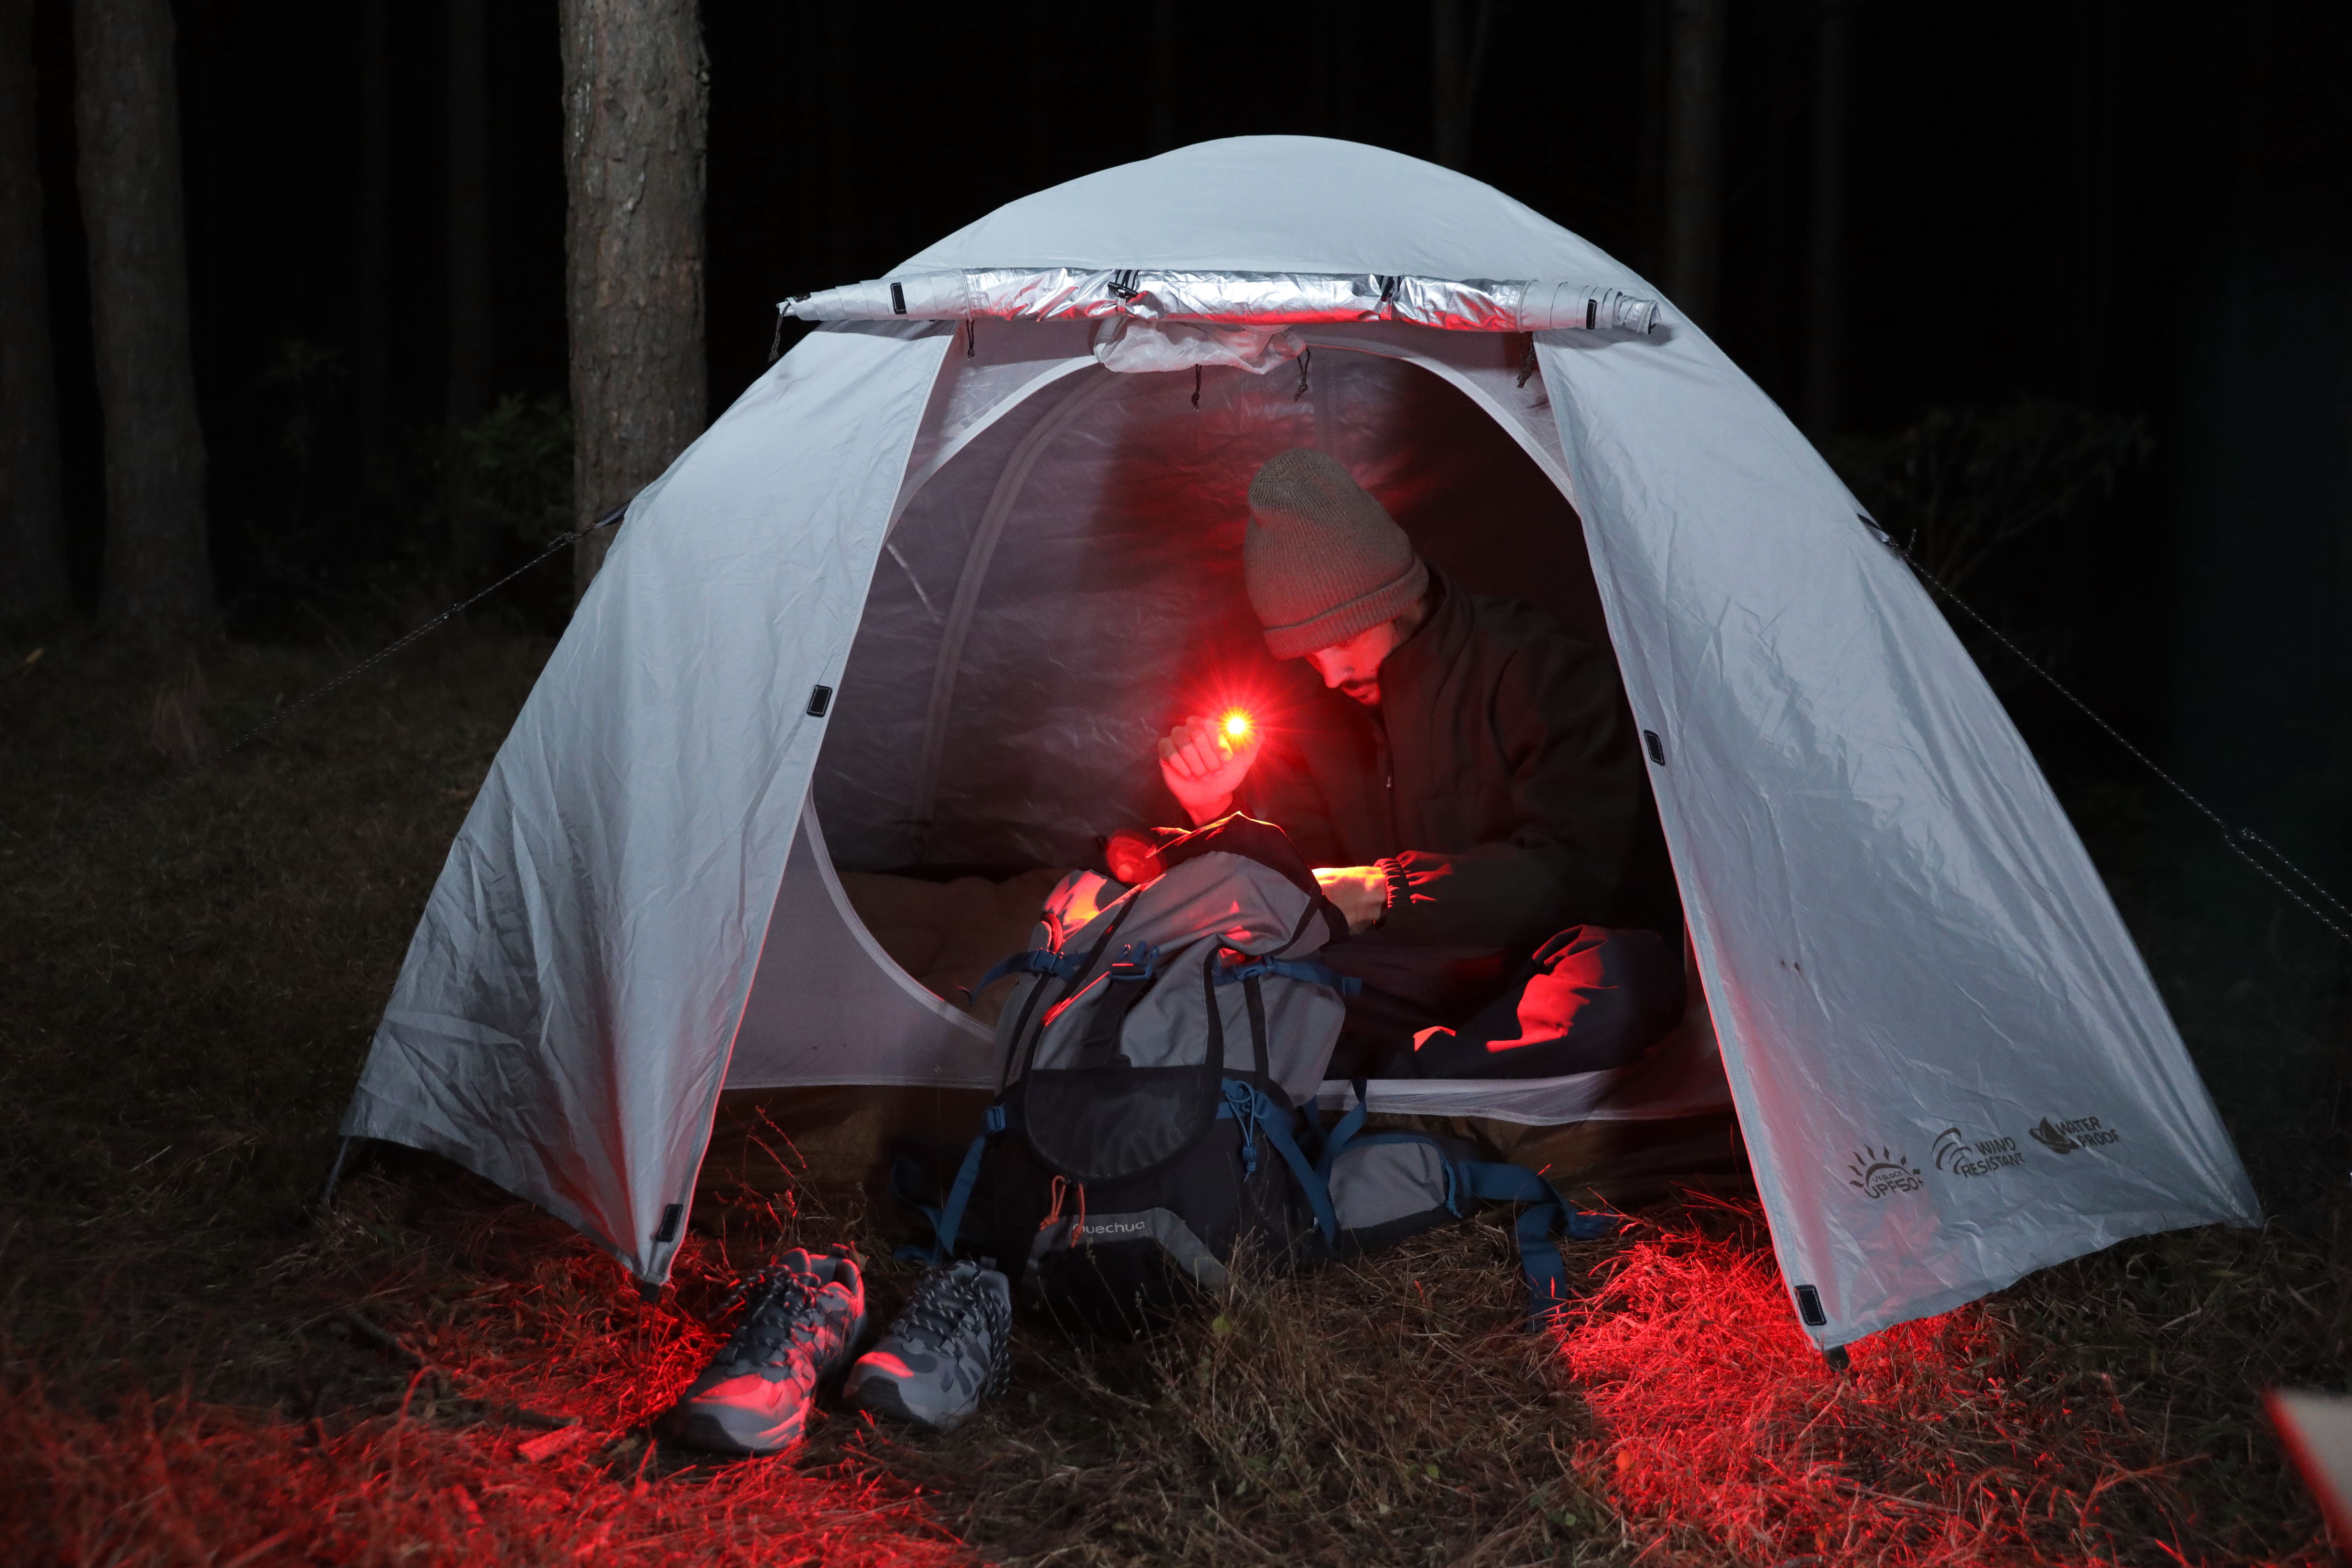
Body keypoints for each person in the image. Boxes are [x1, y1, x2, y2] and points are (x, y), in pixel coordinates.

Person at [1152, 448, 1685, 1080]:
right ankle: (1425, 1081)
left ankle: (1399, 1084)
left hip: (1535, 963)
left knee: (1619, 984)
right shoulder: (1311, 713)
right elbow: (1296, 892)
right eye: (1307, 656)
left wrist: (1387, 890)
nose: (1331, 675)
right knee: (1234, 990)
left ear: (1396, 596)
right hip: (1397, 974)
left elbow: (1581, 876)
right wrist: (1215, 808)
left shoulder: (1539, 668)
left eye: (1345, 640)